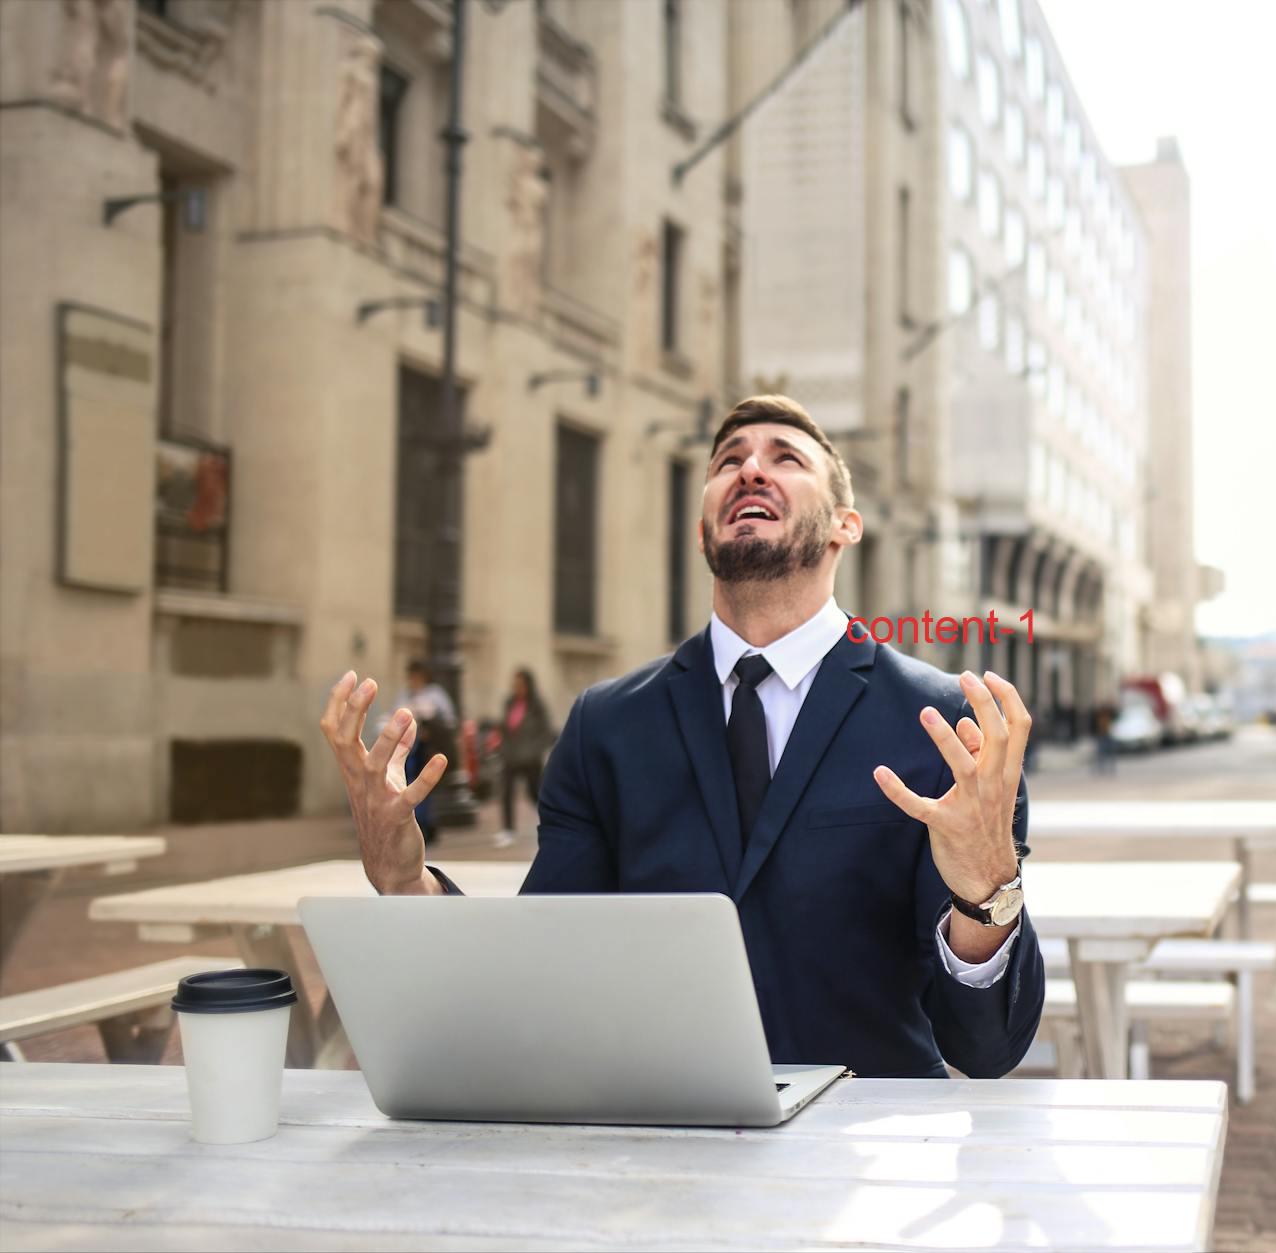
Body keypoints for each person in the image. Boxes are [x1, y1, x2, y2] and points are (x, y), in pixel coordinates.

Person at [319, 395, 1044, 1078]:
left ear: (844, 526)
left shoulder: (949, 727)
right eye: (728, 460)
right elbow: (538, 972)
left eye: (785, 457)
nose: (750, 468)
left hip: (861, 1162)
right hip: (659, 1150)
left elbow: (984, 1046)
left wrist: (987, 889)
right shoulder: (605, 725)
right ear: (702, 530)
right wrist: (404, 882)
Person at [387, 659, 457, 843]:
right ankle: (415, 823)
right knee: (409, 783)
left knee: (425, 784)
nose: (413, 680)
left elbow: (448, 720)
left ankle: (426, 823)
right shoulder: (405, 695)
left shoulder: (435, 695)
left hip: (428, 747)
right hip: (410, 747)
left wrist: (430, 724)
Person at [495, 668, 557, 845]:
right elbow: (504, 728)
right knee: (506, 792)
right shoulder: (510, 703)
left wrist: (533, 751)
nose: (517, 687)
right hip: (510, 757)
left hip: (530, 759)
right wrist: (503, 749)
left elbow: (546, 732)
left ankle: (550, 823)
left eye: (520, 684)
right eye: (515, 684)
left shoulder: (537, 705)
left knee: (534, 793)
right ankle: (508, 829)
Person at [1091, 703, 1117, 776]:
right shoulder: (1098, 716)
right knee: (1100, 753)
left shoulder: (1109, 715)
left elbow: (1115, 714)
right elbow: (1094, 725)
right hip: (1101, 735)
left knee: (1110, 753)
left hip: (1107, 734)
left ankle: (1110, 768)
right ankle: (1101, 768)